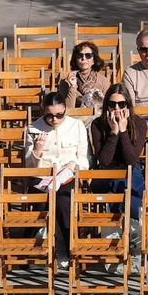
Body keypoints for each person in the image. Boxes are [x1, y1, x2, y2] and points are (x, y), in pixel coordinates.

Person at [23, 85, 89, 268]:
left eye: (60, 115)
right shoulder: (33, 128)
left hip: (67, 175)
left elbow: (85, 158)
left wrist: (73, 165)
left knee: (63, 202)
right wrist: (36, 150)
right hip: (42, 176)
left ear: (65, 110)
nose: (54, 119)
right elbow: (29, 167)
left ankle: (69, 250)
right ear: (44, 112)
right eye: (50, 115)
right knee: (41, 203)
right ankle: (29, 250)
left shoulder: (76, 126)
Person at [88, 82, 148, 216]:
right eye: (112, 104)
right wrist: (114, 133)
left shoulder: (138, 123)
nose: (116, 108)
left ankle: (131, 229)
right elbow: (104, 160)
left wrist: (123, 131)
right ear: (106, 105)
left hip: (131, 170)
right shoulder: (98, 124)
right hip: (107, 171)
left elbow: (131, 160)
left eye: (121, 104)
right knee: (117, 187)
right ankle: (117, 228)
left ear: (127, 105)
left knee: (126, 192)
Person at [64, 41, 111, 115]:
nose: (84, 58)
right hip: (75, 119)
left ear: (94, 60)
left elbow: (107, 109)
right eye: (80, 55)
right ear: (75, 60)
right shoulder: (66, 82)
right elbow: (66, 111)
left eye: (88, 55)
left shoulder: (103, 81)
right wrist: (72, 87)